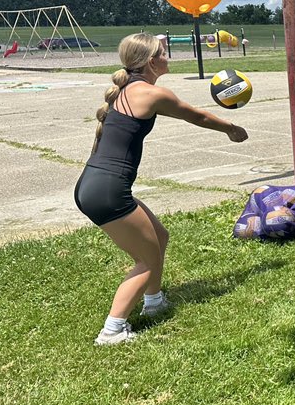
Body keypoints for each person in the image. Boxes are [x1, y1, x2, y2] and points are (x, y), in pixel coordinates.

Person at [74, 33, 248, 345]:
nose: (167, 57)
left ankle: (153, 302)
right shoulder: (151, 94)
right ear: (151, 62)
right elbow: (196, 115)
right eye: (163, 53)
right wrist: (231, 129)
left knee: (159, 237)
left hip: (94, 185)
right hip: (108, 192)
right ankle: (112, 330)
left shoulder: (128, 89)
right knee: (146, 261)